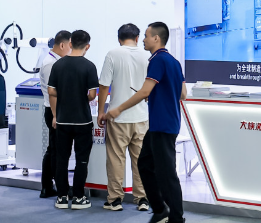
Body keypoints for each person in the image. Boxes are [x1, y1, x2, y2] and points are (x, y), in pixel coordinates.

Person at [106, 22, 186, 223]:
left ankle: (176, 217)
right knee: (144, 164)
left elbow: (144, 91)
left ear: (156, 38)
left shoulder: (158, 60)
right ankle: (159, 209)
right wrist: (160, 94)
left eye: (147, 36)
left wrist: (118, 109)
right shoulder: (174, 62)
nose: (143, 39)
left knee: (166, 173)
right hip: (163, 124)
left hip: (162, 125)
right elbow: (183, 93)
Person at [97, 24, 150, 212]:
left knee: (116, 160)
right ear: (137, 38)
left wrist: (101, 111)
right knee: (140, 161)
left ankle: (115, 200)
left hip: (117, 117)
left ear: (119, 39)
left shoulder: (113, 54)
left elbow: (104, 85)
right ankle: (142, 199)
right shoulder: (147, 56)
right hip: (141, 117)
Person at [48, 29, 99, 210]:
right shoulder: (89, 66)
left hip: (62, 120)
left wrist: (60, 106)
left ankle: (61, 197)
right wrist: (80, 97)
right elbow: (92, 94)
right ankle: (78, 197)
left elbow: (51, 91)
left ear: (70, 43)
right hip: (83, 121)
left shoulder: (58, 65)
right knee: (81, 160)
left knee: (61, 159)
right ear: (87, 46)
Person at [38, 29, 71, 199]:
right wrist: (56, 116)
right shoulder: (51, 64)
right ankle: (56, 186)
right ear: (63, 45)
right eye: (70, 46)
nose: (71, 50)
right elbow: (54, 93)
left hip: (55, 110)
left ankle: (48, 186)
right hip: (54, 111)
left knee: (54, 149)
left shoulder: (55, 61)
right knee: (57, 151)